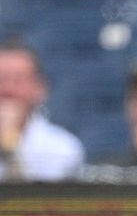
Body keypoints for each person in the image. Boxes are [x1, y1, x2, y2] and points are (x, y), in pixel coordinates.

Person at [0, 41, 84, 181]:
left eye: (18, 80)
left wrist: (11, 148)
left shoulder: (62, 147)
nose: (8, 90)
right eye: (1, 80)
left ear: (39, 88)